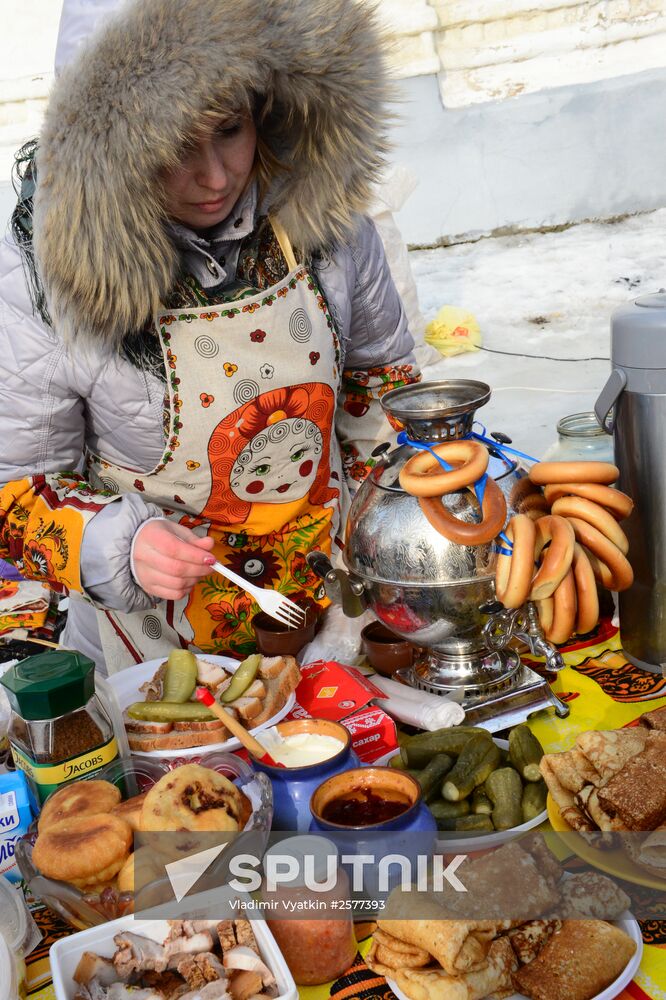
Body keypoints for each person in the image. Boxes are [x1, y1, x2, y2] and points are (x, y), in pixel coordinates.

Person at [0, 0, 419, 672]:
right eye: (174, 149)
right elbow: (16, 492)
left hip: (338, 622)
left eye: (230, 130)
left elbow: (383, 394)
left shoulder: (330, 225)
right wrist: (118, 544)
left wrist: (396, 525)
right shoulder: (39, 278)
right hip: (156, 658)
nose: (216, 177)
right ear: (110, 150)